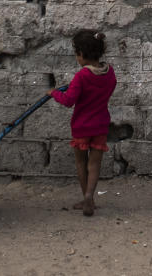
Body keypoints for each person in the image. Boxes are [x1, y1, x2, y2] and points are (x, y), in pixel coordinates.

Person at [49, 29, 117, 216]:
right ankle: (89, 196)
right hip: (100, 125)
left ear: (81, 54)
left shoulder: (81, 76)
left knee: (81, 162)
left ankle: (87, 199)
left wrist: (54, 93)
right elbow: (108, 90)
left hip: (81, 127)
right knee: (94, 164)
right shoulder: (109, 73)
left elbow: (68, 101)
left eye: (76, 54)